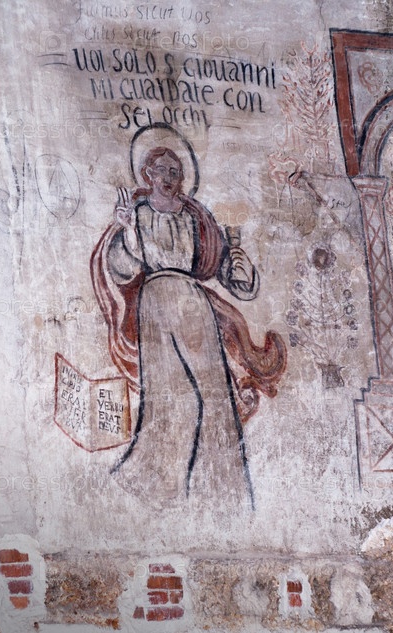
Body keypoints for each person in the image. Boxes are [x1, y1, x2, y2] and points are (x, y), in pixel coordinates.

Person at [90, 147, 285, 510]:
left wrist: (239, 269)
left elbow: (221, 269)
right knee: (170, 395)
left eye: (175, 171)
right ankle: (157, 486)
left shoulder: (196, 217)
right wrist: (127, 230)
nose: (168, 177)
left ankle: (223, 492)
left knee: (215, 395)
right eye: (161, 170)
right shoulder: (138, 213)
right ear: (147, 174)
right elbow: (123, 269)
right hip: (156, 302)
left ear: (182, 178)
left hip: (193, 304)